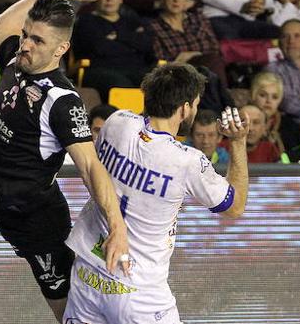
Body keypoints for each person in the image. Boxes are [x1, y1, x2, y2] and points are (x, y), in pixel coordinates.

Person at [0, 0, 129, 323]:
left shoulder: (63, 101)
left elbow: (90, 167)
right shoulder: (18, 61)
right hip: (2, 204)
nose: (25, 43)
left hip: (35, 218)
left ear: (60, 50)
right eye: (27, 34)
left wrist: (117, 226)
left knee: (67, 308)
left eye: (36, 39)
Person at [64, 63, 250, 324]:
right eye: (194, 105)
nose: (194, 111)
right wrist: (239, 142)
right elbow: (236, 206)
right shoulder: (186, 161)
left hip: (87, 274)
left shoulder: (116, 122)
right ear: (185, 108)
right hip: (137, 289)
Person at [72, 0, 155, 102]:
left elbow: (146, 45)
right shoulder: (86, 21)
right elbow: (99, 48)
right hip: (100, 70)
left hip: (135, 69)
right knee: (120, 83)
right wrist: (131, 46)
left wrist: (118, 36)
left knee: (157, 82)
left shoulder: (131, 21)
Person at [250, 71, 300, 152]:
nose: (268, 101)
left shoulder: (291, 127)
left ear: (280, 100)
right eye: (263, 95)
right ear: (253, 96)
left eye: (274, 97)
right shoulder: (240, 122)